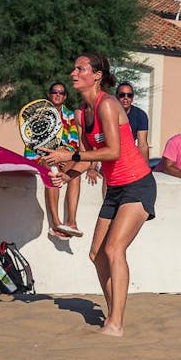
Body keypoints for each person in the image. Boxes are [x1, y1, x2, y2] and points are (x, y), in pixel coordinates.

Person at [40, 53, 155, 337]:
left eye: (81, 69)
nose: (73, 73)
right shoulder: (81, 113)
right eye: (74, 68)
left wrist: (70, 154)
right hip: (115, 189)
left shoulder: (108, 105)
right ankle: (113, 313)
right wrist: (65, 175)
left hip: (138, 185)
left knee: (114, 249)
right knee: (96, 254)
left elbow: (113, 151)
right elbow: (88, 160)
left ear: (97, 75)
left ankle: (116, 323)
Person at [26, 82, 84, 239]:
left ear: (65, 96)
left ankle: (71, 222)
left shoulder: (71, 116)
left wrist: (65, 154)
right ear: (49, 94)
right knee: (51, 167)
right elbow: (33, 141)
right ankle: (56, 223)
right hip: (44, 157)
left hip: (65, 156)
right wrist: (56, 154)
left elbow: (74, 141)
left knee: (76, 172)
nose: (58, 94)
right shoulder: (38, 116)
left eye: (61, 92)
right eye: (54, 92)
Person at [116, 82, 150, 163]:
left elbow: (143, 145)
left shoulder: (140, 115)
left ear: (133, 97)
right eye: (122, 95)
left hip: (129, 155)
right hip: (109, 154)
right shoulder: (108, 112)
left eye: (129, 95)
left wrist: (145, 168)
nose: (126, 98)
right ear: (116, 96)